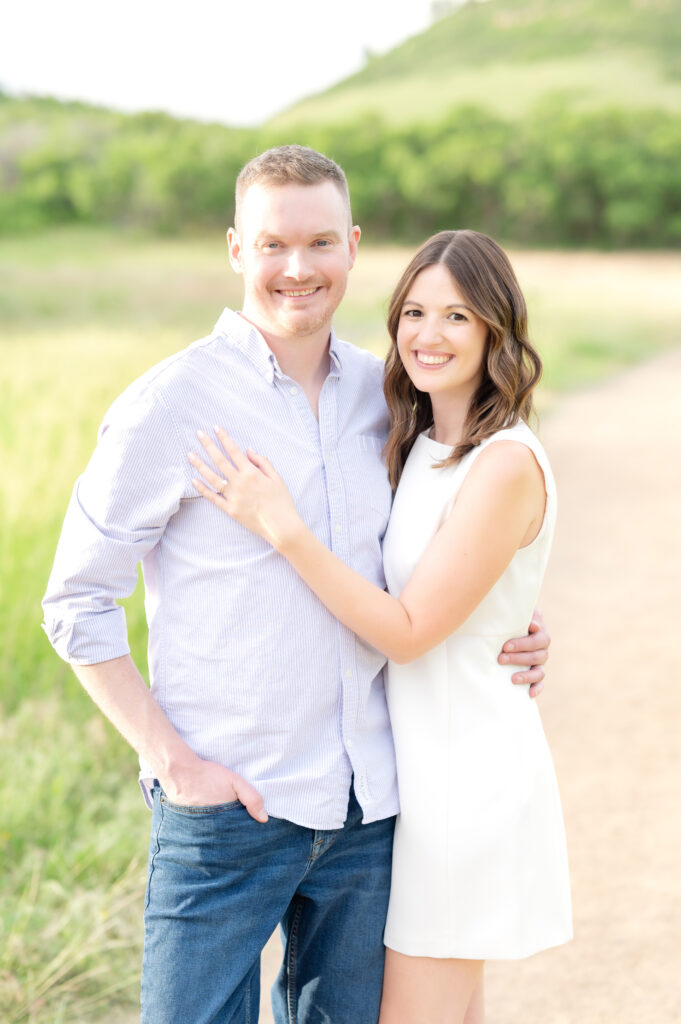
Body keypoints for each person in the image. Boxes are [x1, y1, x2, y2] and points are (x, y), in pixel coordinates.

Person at [42, 146, 551, 1024]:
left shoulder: (386, 394)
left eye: (320, 242)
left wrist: (509, 618)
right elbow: (75, 601)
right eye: (274, 244)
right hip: (229, 810)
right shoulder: (172, 402)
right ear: (236, 249)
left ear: (351, 248)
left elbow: (441, 541)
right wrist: (171, 761)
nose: (297, 268)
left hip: (372, 815)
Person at [189, 228, 572, 1023]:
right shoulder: (423, 442)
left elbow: (405, 630)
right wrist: (509, 615)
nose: (429, 336)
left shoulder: (501, 461)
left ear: (497, 329)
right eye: (415, 313)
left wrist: (282, 527)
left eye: (458, 317)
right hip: (416, 777)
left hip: (464, 779)